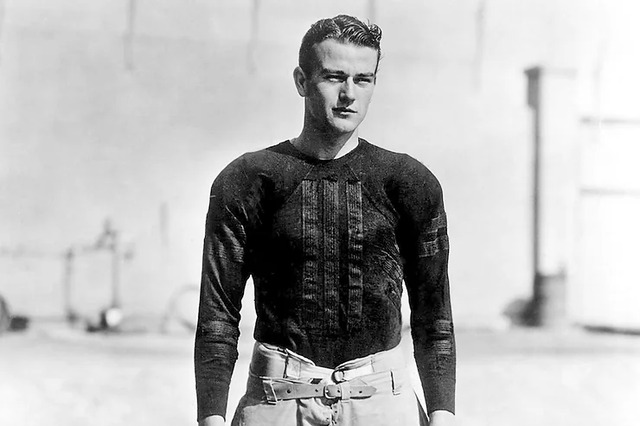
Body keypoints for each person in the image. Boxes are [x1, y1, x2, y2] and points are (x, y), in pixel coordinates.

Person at [195, 14, 455, 426]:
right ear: (301, 81)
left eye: (363, 79)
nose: (348, 94)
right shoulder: (247, 179)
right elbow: (217, 317)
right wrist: (210, 417)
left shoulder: (408, 181)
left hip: (383, 404)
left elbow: (434, 317)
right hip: (277, 401)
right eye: (334, 77)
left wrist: (443, 415)